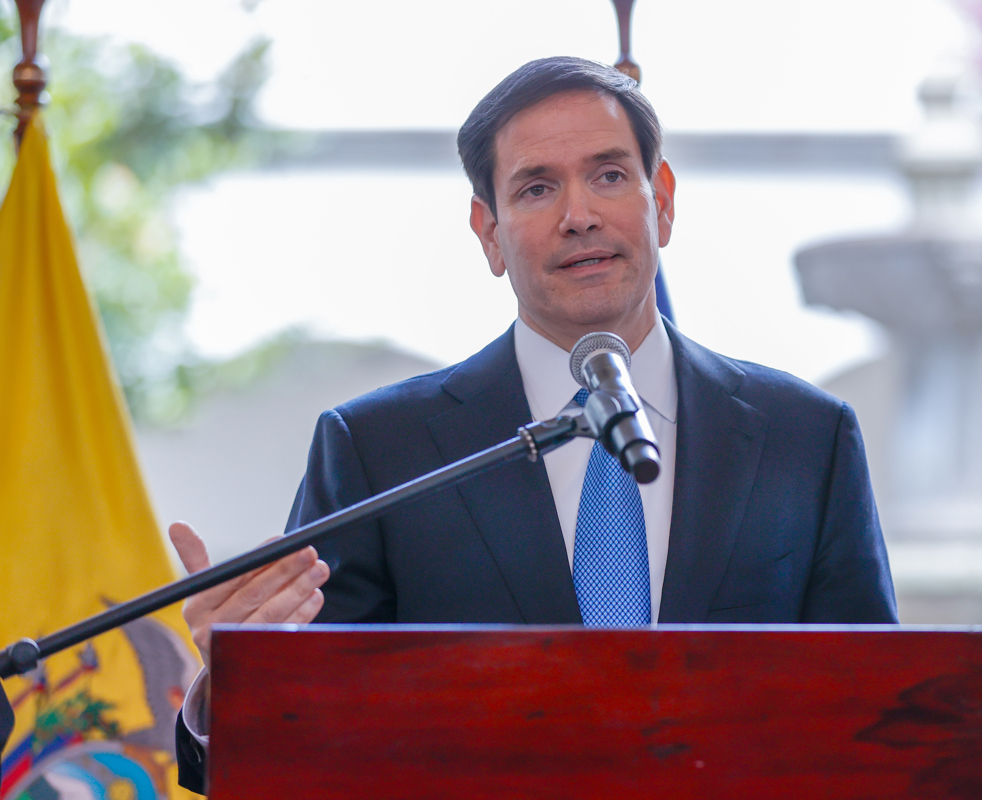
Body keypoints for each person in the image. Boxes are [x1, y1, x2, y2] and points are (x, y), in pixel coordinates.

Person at [172, 56, 897, 793]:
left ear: (664, 201)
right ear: (488, 231)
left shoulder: (805, 438)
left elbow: (884, 722)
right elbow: (307, 754)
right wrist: (239, 684)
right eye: (537, 187)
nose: (579, 213)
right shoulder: (382, 451)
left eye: (610, 175)